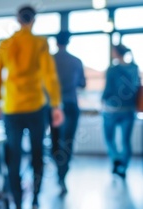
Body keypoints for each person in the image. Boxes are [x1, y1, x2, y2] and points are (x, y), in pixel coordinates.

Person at [0, 5, 64, 209]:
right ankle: (35, 201)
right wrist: (56, 105)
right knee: (37, 154)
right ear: (34, 20)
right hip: (35, 107)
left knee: (13, 158)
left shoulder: (5, 44)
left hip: (12, 108)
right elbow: (49, 76)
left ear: (17, 19)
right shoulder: (40, 43)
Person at [51, 31, 86, 194]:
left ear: (56, 43)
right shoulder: (76, 61)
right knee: (67, 142)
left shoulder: (50, 60)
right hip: (70, 104)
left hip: (53, 105)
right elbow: (82, 83)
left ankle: (58, 170)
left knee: (55, 140)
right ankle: (62, 175)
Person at [102, 44, 140, 179]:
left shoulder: (112, 70)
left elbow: (108, 90)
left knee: (109, 138)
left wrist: (103, 101)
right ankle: (122, 166)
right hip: (129, 110)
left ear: (117, 53)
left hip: (112, 109)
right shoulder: (134, 68)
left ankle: (116, 159)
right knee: (125, 141)